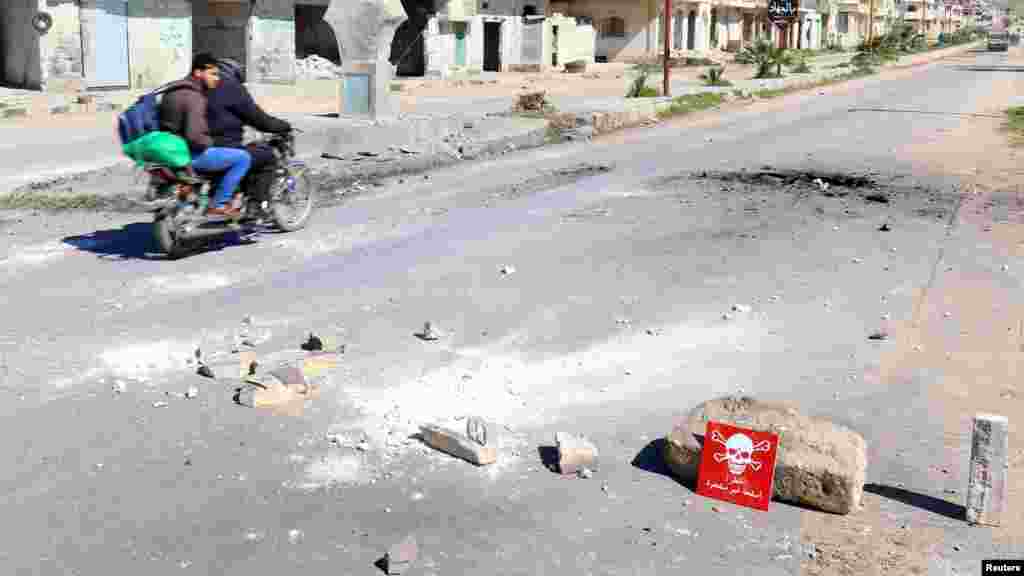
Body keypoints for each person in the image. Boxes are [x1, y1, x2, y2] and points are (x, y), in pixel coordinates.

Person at [159, 52, 251, 217]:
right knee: (243, 158)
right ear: (198, 72)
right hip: (189, 155)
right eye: (213, 74)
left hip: (169, 151)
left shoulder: (172, 90)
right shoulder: (194, 96)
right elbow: (194, 135)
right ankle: (219, 203)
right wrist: (209, 142)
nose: (217, 78)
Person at [207, 58, 292, 201]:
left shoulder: (199, 86)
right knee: (267, 157)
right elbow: (259, 119)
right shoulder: (231, 87)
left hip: (196, 148)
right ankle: (257, 205)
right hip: (222, 148)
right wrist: (284, 126)